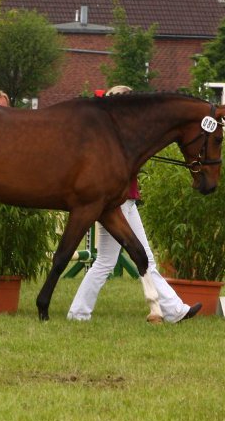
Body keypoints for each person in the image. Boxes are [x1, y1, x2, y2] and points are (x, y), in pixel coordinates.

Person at [67, 86, 202, 324]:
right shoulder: (120, 134)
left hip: (120, 201)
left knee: (106, 261)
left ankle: (78, 313)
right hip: (121, 201)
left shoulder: (112, 133)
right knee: (142, 256)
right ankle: (174, 310)